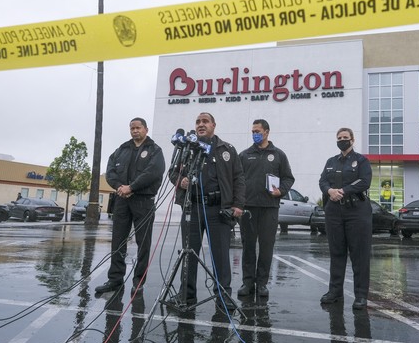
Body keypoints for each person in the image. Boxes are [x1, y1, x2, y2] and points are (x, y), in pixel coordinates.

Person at [171, 112, 245, 310]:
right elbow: (172, 172)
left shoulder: (226, 149)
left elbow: (238, 178)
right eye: (197, 122)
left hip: (218, 209)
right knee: (188, 253)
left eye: (205, 121)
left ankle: (223, 296)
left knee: (220, 255)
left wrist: (238, 205)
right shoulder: (188, 147)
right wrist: (181, 180)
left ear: (214, 125)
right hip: (192, 207)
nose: (200, 125)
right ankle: (186, 295)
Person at [95, 117, 166, 295]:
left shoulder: (154, 150)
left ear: (146, 130)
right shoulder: (121, 150)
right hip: (121, 200)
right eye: (132, 128)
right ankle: (115, 279)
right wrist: (120, 187)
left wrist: (132, 187)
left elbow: (153, 172)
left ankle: (139, 281)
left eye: (138, 128)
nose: (135, 131)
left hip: (143, 200)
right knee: (118, 241)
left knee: (143, 243)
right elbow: (110, 170)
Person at [238, 119, 295, 298]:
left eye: (258, 131)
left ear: (267, 132)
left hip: (269, 208)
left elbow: (288, 178)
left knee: (266, 247)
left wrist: (281, 191)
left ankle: (262, 283)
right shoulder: (244, 155)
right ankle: (247, 282)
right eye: (252, 131)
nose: (254, 133)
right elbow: (237, 180)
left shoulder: (278, 155)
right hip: (248, 208)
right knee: (248, 247)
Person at [319, 127, 372, 310]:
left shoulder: (361, 161)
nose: (342, 140)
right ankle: (335, 292)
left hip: (356, 211)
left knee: (359, 255)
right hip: (334, 212)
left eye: (345, 137)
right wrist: (329, 191)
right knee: (337, 253)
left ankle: (361, 295)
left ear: (352, 140)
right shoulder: (331, 161)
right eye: (339, 137)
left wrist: (343, 191)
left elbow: (365, 181)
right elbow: (323, 181)